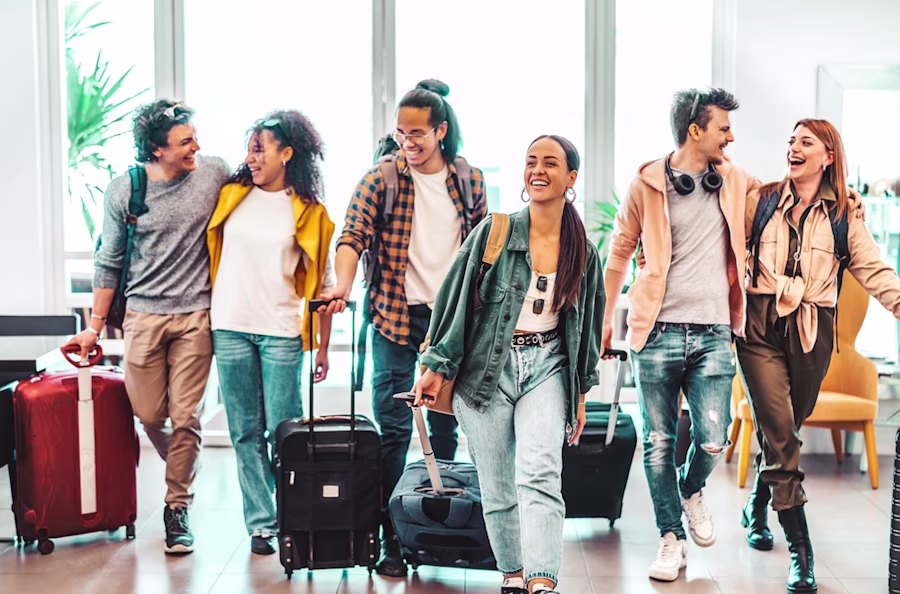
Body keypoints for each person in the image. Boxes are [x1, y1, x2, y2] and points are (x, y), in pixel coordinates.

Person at [415, 135, 604, 594]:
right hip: (486, 372)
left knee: (539, 472)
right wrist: (435, 366)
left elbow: (587, 331)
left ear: (571, 178)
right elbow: (454, 302)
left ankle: (542, 580)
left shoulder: (583, 251)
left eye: (551, 163)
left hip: (549, 367)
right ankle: (513, 576)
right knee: (497, 485)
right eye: (531, 161)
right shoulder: (495, 232)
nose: (538, 170)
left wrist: (579, 394)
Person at [320, 79, 487, 576]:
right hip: (394, 318)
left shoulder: (468, 179)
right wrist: (342, 286)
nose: (406, 143)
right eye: (399, 134)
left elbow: (483, 252)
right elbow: (351, 236)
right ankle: (391, 540)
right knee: (392, 433)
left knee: (444, 426)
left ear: (440, 130)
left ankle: (435, 530)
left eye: (417, 134)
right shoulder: (382, 178)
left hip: (449, 325)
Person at [601, 89, 759, 582]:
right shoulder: (646, 183)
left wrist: (850, 196)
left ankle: (691, 492)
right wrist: (607, 316)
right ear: (696, 131)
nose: (730, 136)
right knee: (658, 441)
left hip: (714, 332)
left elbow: (787, 192)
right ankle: (670, 537)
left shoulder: (734, 180)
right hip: (657, 331)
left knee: (713, 440)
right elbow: (619, 251)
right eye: (723, 128)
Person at [737, 118, 900, 594]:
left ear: (828, 156)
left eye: (806, 141)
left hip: (813, 331)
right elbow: (722, 245)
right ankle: (802, 552)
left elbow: (873, 267)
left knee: (786, 427)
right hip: (759, 325)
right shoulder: (761, 201)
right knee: (782, 436)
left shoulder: (844, 216)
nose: (793, 147)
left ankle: (757, 502)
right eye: (790, 140)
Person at [66, 99, 230, 554]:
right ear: (156, 150)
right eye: (185, 142)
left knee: (186, 417)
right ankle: (183, 461)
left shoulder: (214, 172)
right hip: (142, 316)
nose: (197, 146)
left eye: (194, 136)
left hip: (197, 316)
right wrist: (94, 328)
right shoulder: (126, 190)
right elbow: (109, 261)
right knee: (150, 414)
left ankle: (177, 506)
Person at [207, 110, 335, 556]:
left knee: (287, 432)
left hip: (280, 329)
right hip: (229, 327)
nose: (251, 158)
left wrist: (321, 345)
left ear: (287, 153)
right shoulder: (231, 196)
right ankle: (261, 523)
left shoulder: (311, 212)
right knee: (244, 431)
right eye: (250, 148)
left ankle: (294, 516)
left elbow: (322, 285)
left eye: (260, 149)